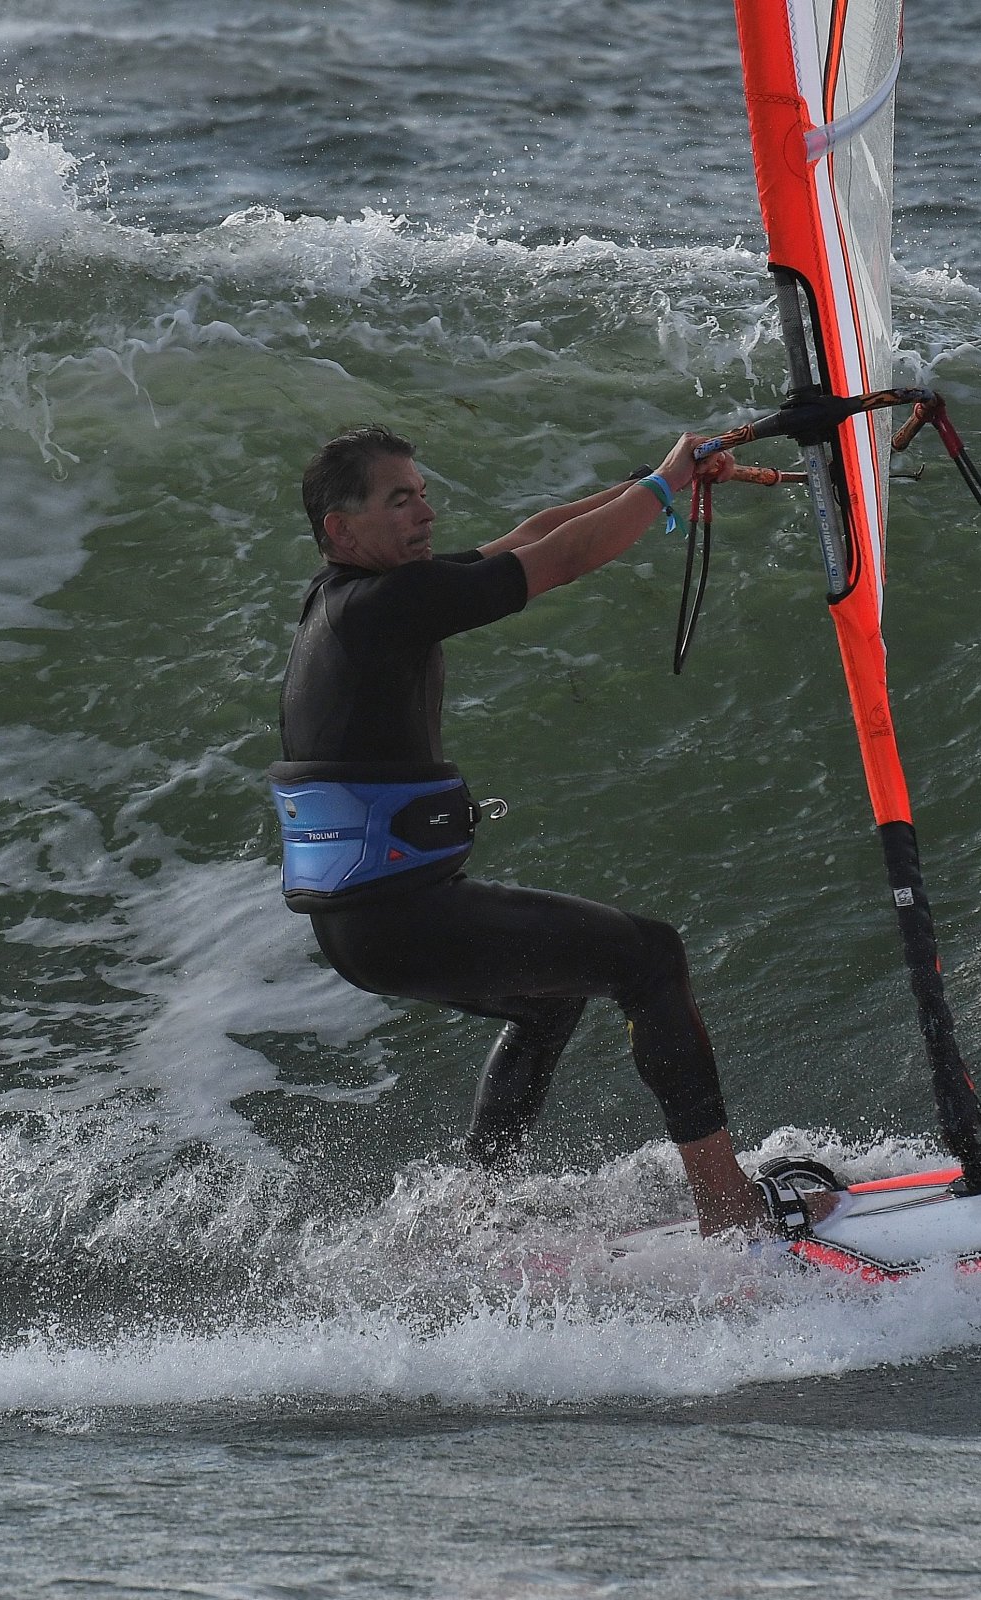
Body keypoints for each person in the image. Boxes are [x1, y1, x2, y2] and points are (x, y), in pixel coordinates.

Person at [268, 423, 773, 1233]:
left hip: (369, 924)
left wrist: (661, 482)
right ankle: (727, 1203)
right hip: (397, 915)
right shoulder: (384, 606)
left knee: (549, 1001)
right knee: (650, 957)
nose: (424, 514)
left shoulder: (352, 602)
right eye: (400, 501)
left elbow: (534, 536)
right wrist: (666, 484)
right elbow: (563, 561)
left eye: (423, 495)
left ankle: (479, 1208)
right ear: (340, 527)